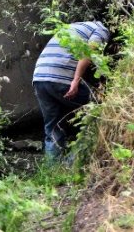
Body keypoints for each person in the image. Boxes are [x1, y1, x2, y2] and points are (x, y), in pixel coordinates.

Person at [32, 21, 110, 159]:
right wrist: (75, 80)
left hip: (39, 77)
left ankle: (53, 173)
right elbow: (89, 53)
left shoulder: (72, 27)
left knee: (52, 127)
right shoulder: (101, 29)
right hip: (60, 78)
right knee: (100, 109)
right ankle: (74, 162)